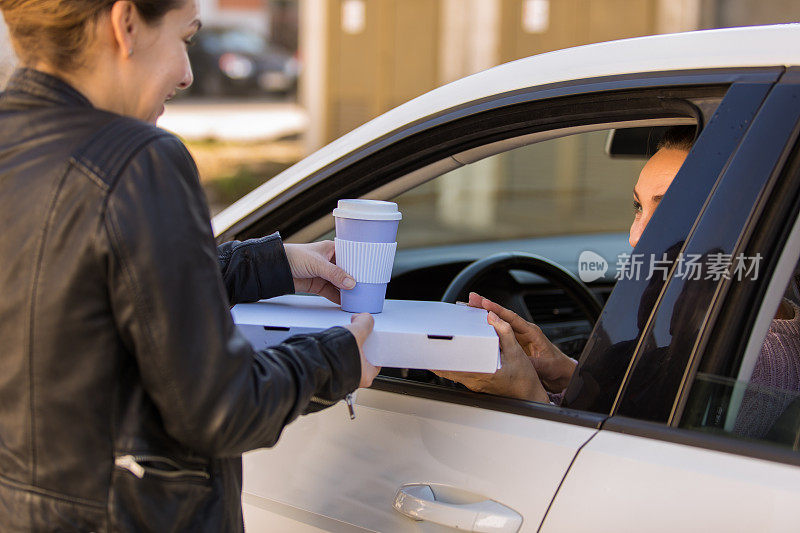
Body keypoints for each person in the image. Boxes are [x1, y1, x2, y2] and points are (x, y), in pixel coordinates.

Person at [0, 1, 378, 530]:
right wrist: (338, 361)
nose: (186, 74)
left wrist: (270, 265)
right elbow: (220, 409)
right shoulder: (139, 160)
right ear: (126, 23)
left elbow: (71, 290)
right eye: (185, 39)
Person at [438, 125, 800, 438]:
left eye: (674, 210)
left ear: (742, 222)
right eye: (638, 206)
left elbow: (632, 469)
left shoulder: (738, 358)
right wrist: (569, 374)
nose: (636, 236)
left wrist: (527, 395)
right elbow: (642, 413)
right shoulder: (759, 327)